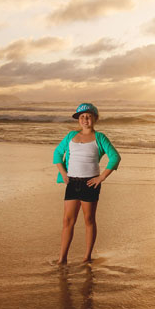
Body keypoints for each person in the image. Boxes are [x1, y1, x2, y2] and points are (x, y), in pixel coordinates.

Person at [53, 103, 121, 264]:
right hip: (72, 182)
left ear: (95, 119)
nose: (85, 119)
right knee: (67, 221)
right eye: (82, 117)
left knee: (89, 219)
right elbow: (57, 153)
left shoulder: (100, 137)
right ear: (78, 119)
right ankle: (62, 258)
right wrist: (64, 174)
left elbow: (115, 157)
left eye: (89, 117)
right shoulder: (71, 136)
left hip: (90, 183)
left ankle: (87, 257)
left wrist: (101, 177)